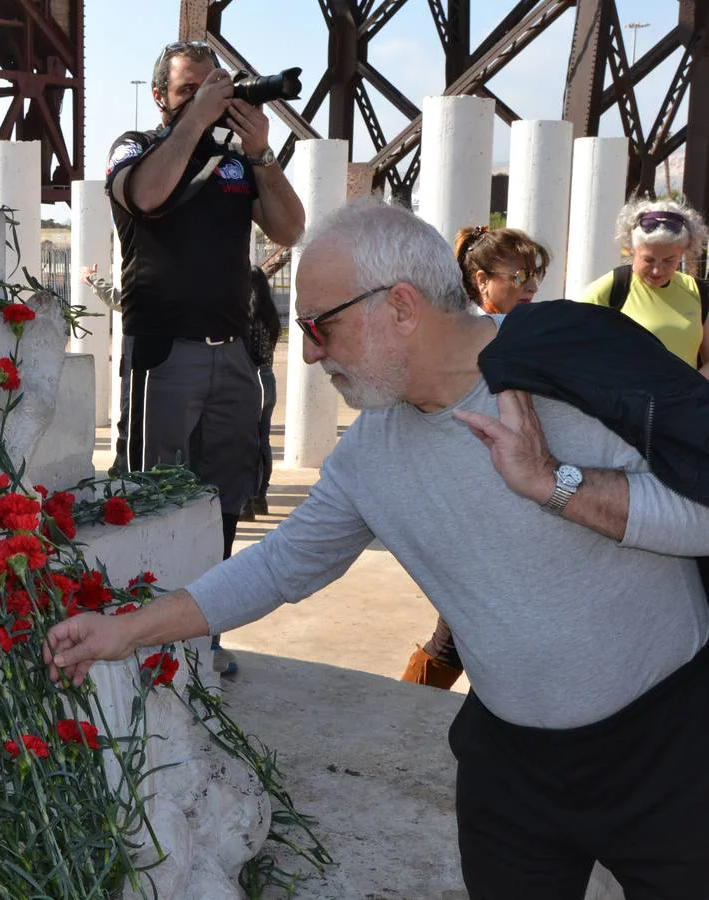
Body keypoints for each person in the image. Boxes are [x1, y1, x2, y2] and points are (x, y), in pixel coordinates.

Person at [46, 198, 709, 897]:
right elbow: (279, 565)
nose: (306, 351)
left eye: (319, 326)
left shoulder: (570, 373)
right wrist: (126, 632)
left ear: (400, 306)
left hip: (671, 753)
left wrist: (556, 485)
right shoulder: (369, 455)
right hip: (514, 773)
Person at [105, 40, 306, 674]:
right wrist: (195, 122)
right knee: (147, 494)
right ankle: (138, 626)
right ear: (161, 96)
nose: (205, 98)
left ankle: (201, 630)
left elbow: (290, 229)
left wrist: (262, 155)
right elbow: (147, 197)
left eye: (214, 86)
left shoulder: (235, 161)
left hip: (231, 356)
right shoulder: (135, 146)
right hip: (163, 353)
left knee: (221, 497)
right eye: (188, 88)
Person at [401, 225, 552, 689]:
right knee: (458, 633)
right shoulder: (463, 338)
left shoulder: (522, 330)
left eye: (536, 275)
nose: (531, 286)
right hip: (474, 499)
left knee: (465, 631)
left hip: (512, 499)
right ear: (482, 280)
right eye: (519, 275)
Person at [579, 197, 709, 376]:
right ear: (632, 250)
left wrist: (692, 391)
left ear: (682, 253)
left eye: (669, 260)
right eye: (648, 260)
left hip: (687, 402)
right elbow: (575, 352)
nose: (657, 270)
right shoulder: (611, 289)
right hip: (624, 401)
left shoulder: (698, 292)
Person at [242, 266, 281, 519]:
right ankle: (260, 498)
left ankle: (246, 501)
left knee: (245, 443)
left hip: (251, 381)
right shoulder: (271, 317)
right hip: (268, 380)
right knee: (262, 442)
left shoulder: (249, 317)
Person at [454, 225, 551, 314]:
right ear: (483, 281)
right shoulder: (464, 330)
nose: (533, 288)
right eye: (522, 276)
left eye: (534, 275)